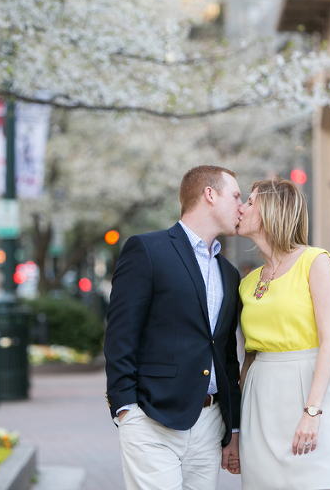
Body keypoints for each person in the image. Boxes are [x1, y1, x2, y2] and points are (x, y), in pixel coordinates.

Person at [104, 165, 243, 490]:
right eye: (236, 195)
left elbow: (225, 355)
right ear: (210, 194)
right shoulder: (148, 250)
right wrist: (126, 411)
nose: (242, 204)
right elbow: (120, 335)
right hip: (151, 419)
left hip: (209, 422)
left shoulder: (230, 273)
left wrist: (232, 427)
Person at [231, 178, 330, 489]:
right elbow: (249, 355)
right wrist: (238, 427)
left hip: (310, 388)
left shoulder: (315, 262)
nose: (241, 209)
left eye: (250, 202)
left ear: (272, 210)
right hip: (260, 397)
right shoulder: (247, 282)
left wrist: (312, 412)